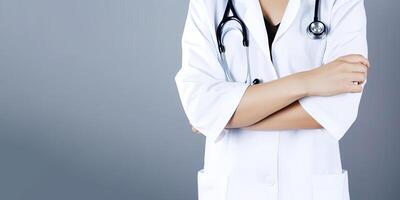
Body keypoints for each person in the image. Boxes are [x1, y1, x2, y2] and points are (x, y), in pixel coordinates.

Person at [174, 0, 369, 199]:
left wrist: (224, 117)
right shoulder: (208, 3)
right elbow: (201, 105)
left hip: (306, 183)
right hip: (236, 185)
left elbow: (337, 109)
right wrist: (306, 82)